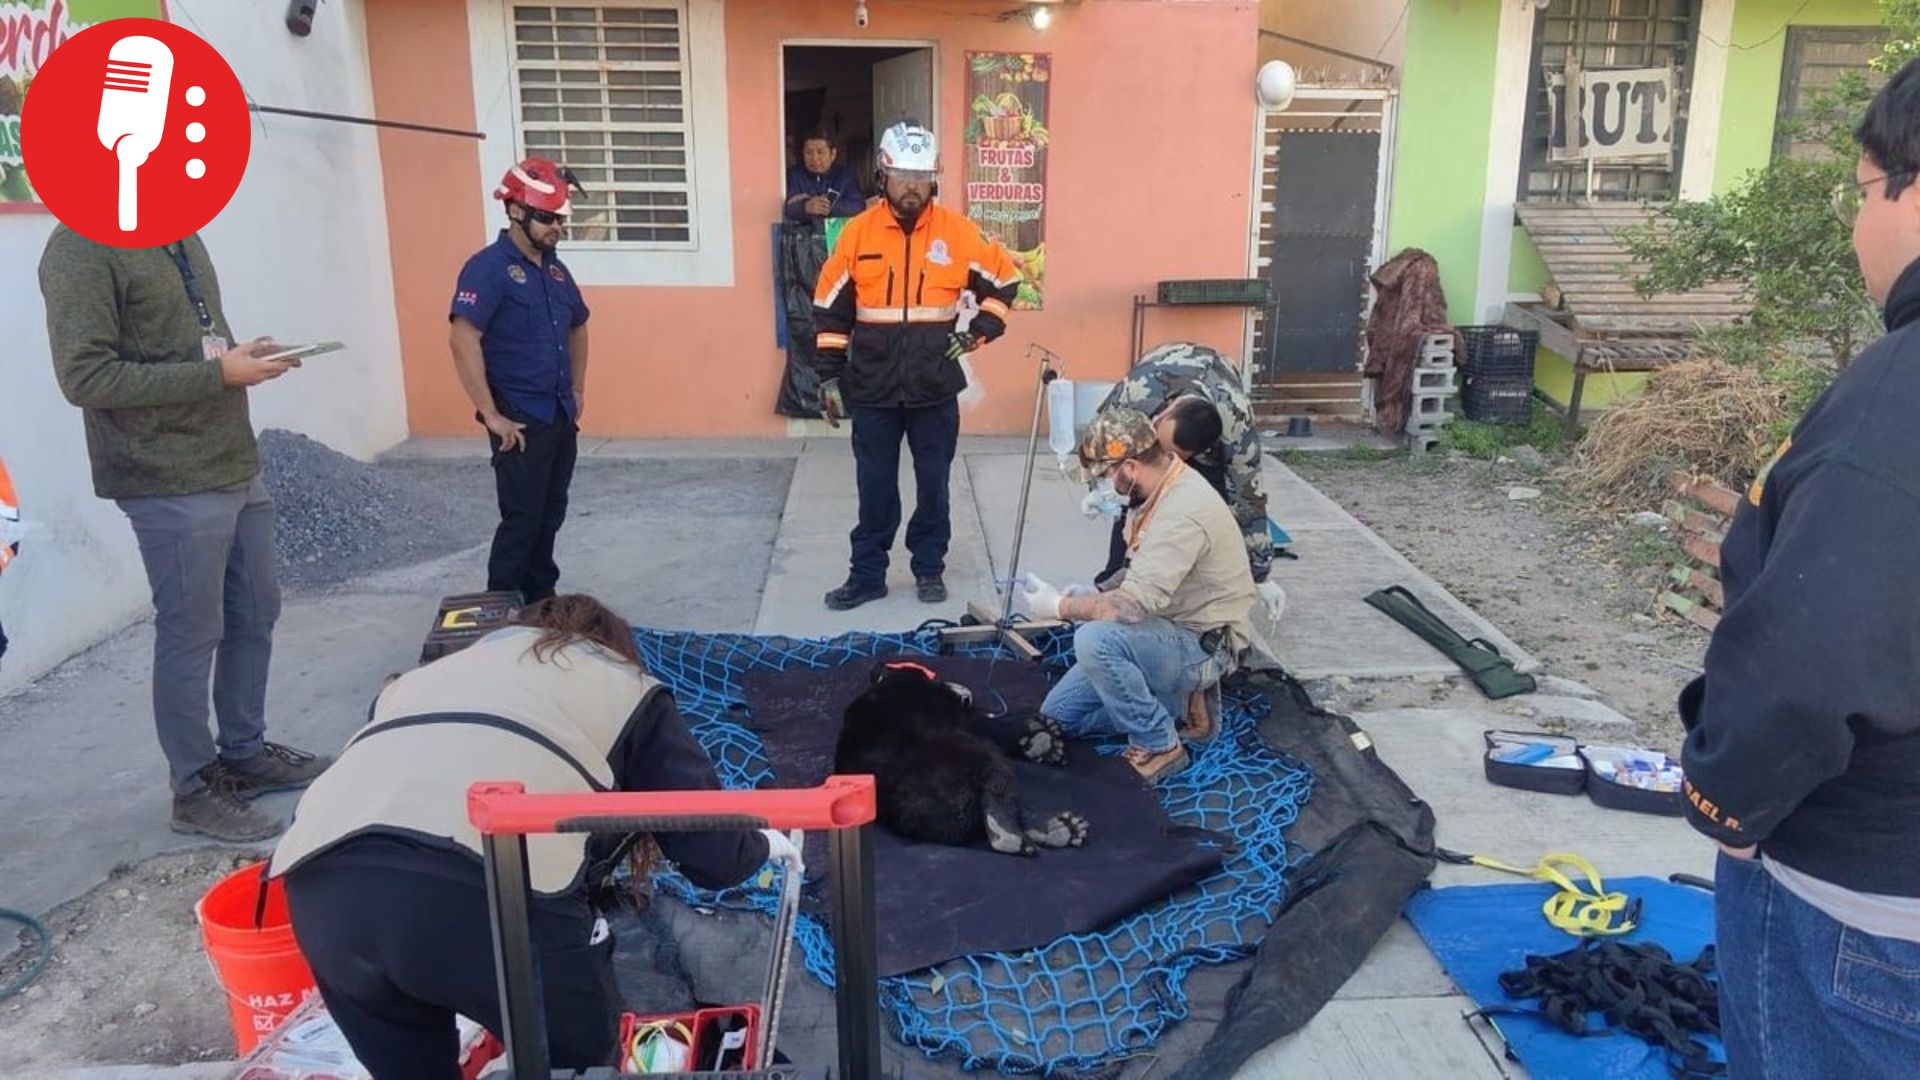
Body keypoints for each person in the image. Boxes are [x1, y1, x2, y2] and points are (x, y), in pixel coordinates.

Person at [1677, 60, 1920, 1078]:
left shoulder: (1892, 403)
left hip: (1857, 909)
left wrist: (1729, 805)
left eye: (1862, 192)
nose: (1858, 225)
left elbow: (1808, 667)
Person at [272, 594, 771, 1079]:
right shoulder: (623, 685)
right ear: (609, 647)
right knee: (576, 1068)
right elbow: (714, 854)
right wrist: (766, 845)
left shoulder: (418, 680)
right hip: (476, 887)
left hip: (321, 888)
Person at [41, 227, 331, 843]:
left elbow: (191, 345)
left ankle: (245, 755)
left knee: (255, 611)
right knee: (191, 629)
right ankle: (194, 787)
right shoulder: (80, 247)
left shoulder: (178, 228)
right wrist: (217, 375)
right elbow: (85, 377)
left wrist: (241, 356)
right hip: (163, 472)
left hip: (230, 457)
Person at [812, 120, 1022, 610]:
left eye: (922, 175)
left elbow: (1006, 281)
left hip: (933, 387)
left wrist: (978, 332)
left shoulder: (959, 232)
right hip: (873, 388)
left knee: (934, 487)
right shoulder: (857, 234)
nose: (912, 185)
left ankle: (929, 568)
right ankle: (867, 575)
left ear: (935, 179)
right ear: (883, 175)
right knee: (875, 489)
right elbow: (829, 308)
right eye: (903, 173)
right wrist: (828, 376)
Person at [1019, 409, 1257, 782]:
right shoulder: (1156, 491)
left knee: (1095, 639)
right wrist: (1096, 592)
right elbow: (1140, 571)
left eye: (1104, 476)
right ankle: (1178, 706)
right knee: (1055, 719)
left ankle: (1160, 743)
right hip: (1166, 628)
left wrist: (1061, 607)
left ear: (1129, 467)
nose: (1101, 486)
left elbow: (1128, 610)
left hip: (1203, 645)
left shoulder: (1183, 511)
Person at [450, 157, 591, 604]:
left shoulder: (555, 270)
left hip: (558, 414)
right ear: (516, 212)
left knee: (551, 513)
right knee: (522, 519)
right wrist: (491, 414)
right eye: (548, 218)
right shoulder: (488, 269)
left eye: (560, 219)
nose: (556, 228)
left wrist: (577, 389)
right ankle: (501, 609)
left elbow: (579, 325)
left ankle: (541, 602)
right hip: (520, 422)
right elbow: (463, 337)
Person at [1091, 343, 1276, 596]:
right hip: (1159, 379)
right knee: (1135, 495)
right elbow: (1100, 438)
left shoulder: (1236, 430)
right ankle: (1115, 586)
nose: (1164, 462)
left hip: (1217, 405)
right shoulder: (1137, 395)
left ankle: (1193, 596)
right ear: (1166, 412)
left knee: (1206, 513)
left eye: (1174, 457)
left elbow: (1248, 499)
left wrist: (1260, 572)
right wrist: (1101, 486)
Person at [784, 131, 867, 221]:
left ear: (833, 154)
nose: (814, 158)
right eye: (808, 152)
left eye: (820, 152)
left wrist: (828, 206)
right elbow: (787, 207)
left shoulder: (845, 176)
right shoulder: (795, 175)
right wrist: (805, 207)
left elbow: (859, 206)